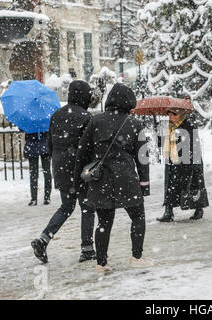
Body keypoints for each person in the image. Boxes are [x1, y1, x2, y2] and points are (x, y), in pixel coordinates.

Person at [74, 83, 150, 273]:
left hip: (101, 179)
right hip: (127, 178)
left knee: (104, 222)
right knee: (138, 217)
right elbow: (142, 158)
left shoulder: (95, 121)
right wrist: (144, 183)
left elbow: (82, 152)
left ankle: (101, 263)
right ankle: (136, 256)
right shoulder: (135, 123)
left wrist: (79, 180)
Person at [31, 80, 97, 264]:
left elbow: (50, 144)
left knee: (67, 207)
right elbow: (89, 147)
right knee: (87, 208)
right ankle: (87, 248)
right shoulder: (86, 117)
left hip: (60, 167)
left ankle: (43, 239)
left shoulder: (57, 115)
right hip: (80, 168)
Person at [157, 108, 209, 222]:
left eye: (174, 114)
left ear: (180, 114)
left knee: (192, 185)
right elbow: (161, 143)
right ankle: (168, 212)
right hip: (172, 160)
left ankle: (199, 209)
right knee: (170, 185)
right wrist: (159, 130)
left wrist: (194, 162)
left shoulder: (188, 124)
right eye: (169, 114)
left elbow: (194, 143)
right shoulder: (167, 126)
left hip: (187, 159)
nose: (171, 117)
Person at [24, 131, 52, 206]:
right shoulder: (45, 121)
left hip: (32, 146)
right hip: (44, 145)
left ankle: (34, 199)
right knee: (46, 172)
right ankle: (47, 197)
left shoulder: (28, 122)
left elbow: (22, 129)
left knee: (33, 174)